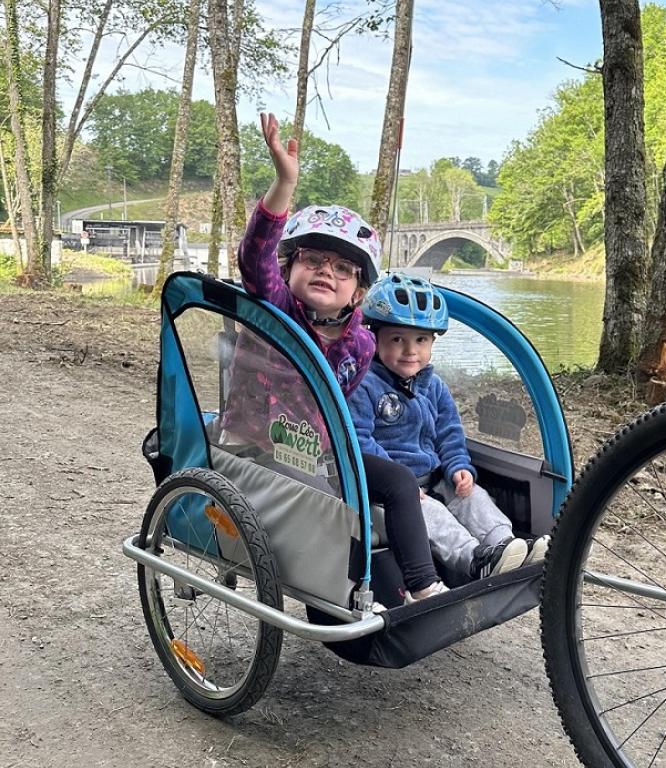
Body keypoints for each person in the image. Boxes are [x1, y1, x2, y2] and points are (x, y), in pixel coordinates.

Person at [220, 112, 447, 604]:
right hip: (258, 448)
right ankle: (350, 590)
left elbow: (337, 407)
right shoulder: (276, 309)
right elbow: (255, 253)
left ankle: (421, 583)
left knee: (398, 481)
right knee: (334, 503)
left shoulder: (363, 343)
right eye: (313, 260)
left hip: (319, 452)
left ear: (358, 292)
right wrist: (285, 182)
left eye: (343, 268)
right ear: (291, 268)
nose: (327, 271)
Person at [349, 272, 550, 585]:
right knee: (434, 517)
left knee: (473, 497)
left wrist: (458, 466)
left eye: (421, 340)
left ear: (432, 342)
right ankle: (475, 560)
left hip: (434, 476)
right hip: (387, 494)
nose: (410, 350)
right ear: (374, 340)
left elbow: (449, 432)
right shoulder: (365, 385)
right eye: (397, 339)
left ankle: (505, 545)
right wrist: (399, 483)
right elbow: (359, 440)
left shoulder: (434, 385)